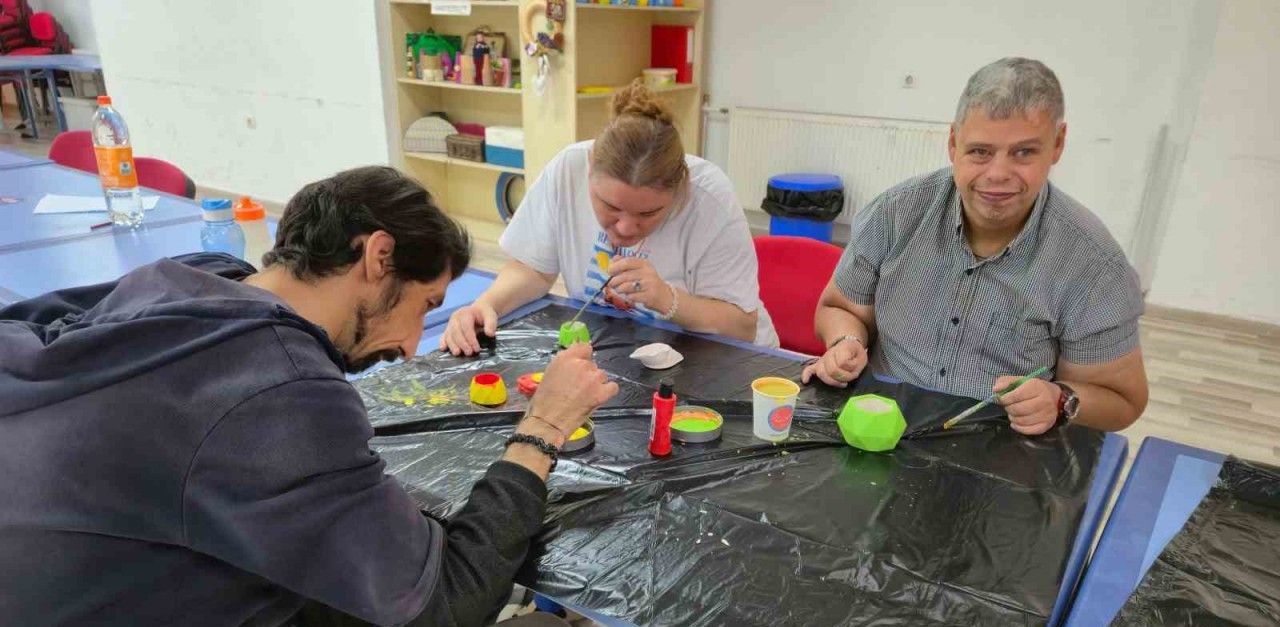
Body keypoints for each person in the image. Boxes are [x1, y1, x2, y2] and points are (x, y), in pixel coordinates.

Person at [0, 166, 619, 627]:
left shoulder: (185, 279)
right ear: (378, 256)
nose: (412, 345)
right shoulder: (282, 385)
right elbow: (455, 598)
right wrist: (544, 426)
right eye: (425, 305)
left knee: (376, 585)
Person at [804, 57, 1148, 434]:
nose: (997, 174)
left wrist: (1059, 399)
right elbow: (839, 308)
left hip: (999, 444)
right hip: (882, 424)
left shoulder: (1093, 266)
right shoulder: (894, 214)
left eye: (1024, 152)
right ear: (954, 144)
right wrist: (846, 341)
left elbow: (1122, 400)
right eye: (980, 151)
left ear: (1058, 144)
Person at [441, 81, 779, 354]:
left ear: (680, 187)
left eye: (649, 213)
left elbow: (742, 327)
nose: (626, 227)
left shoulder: (709, 200)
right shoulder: (568, 168)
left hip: (723, 360)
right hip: (620, 348)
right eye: (610, 207)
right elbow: (534, 269)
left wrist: (667, 298)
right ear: (590, 167)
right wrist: (486, 305)